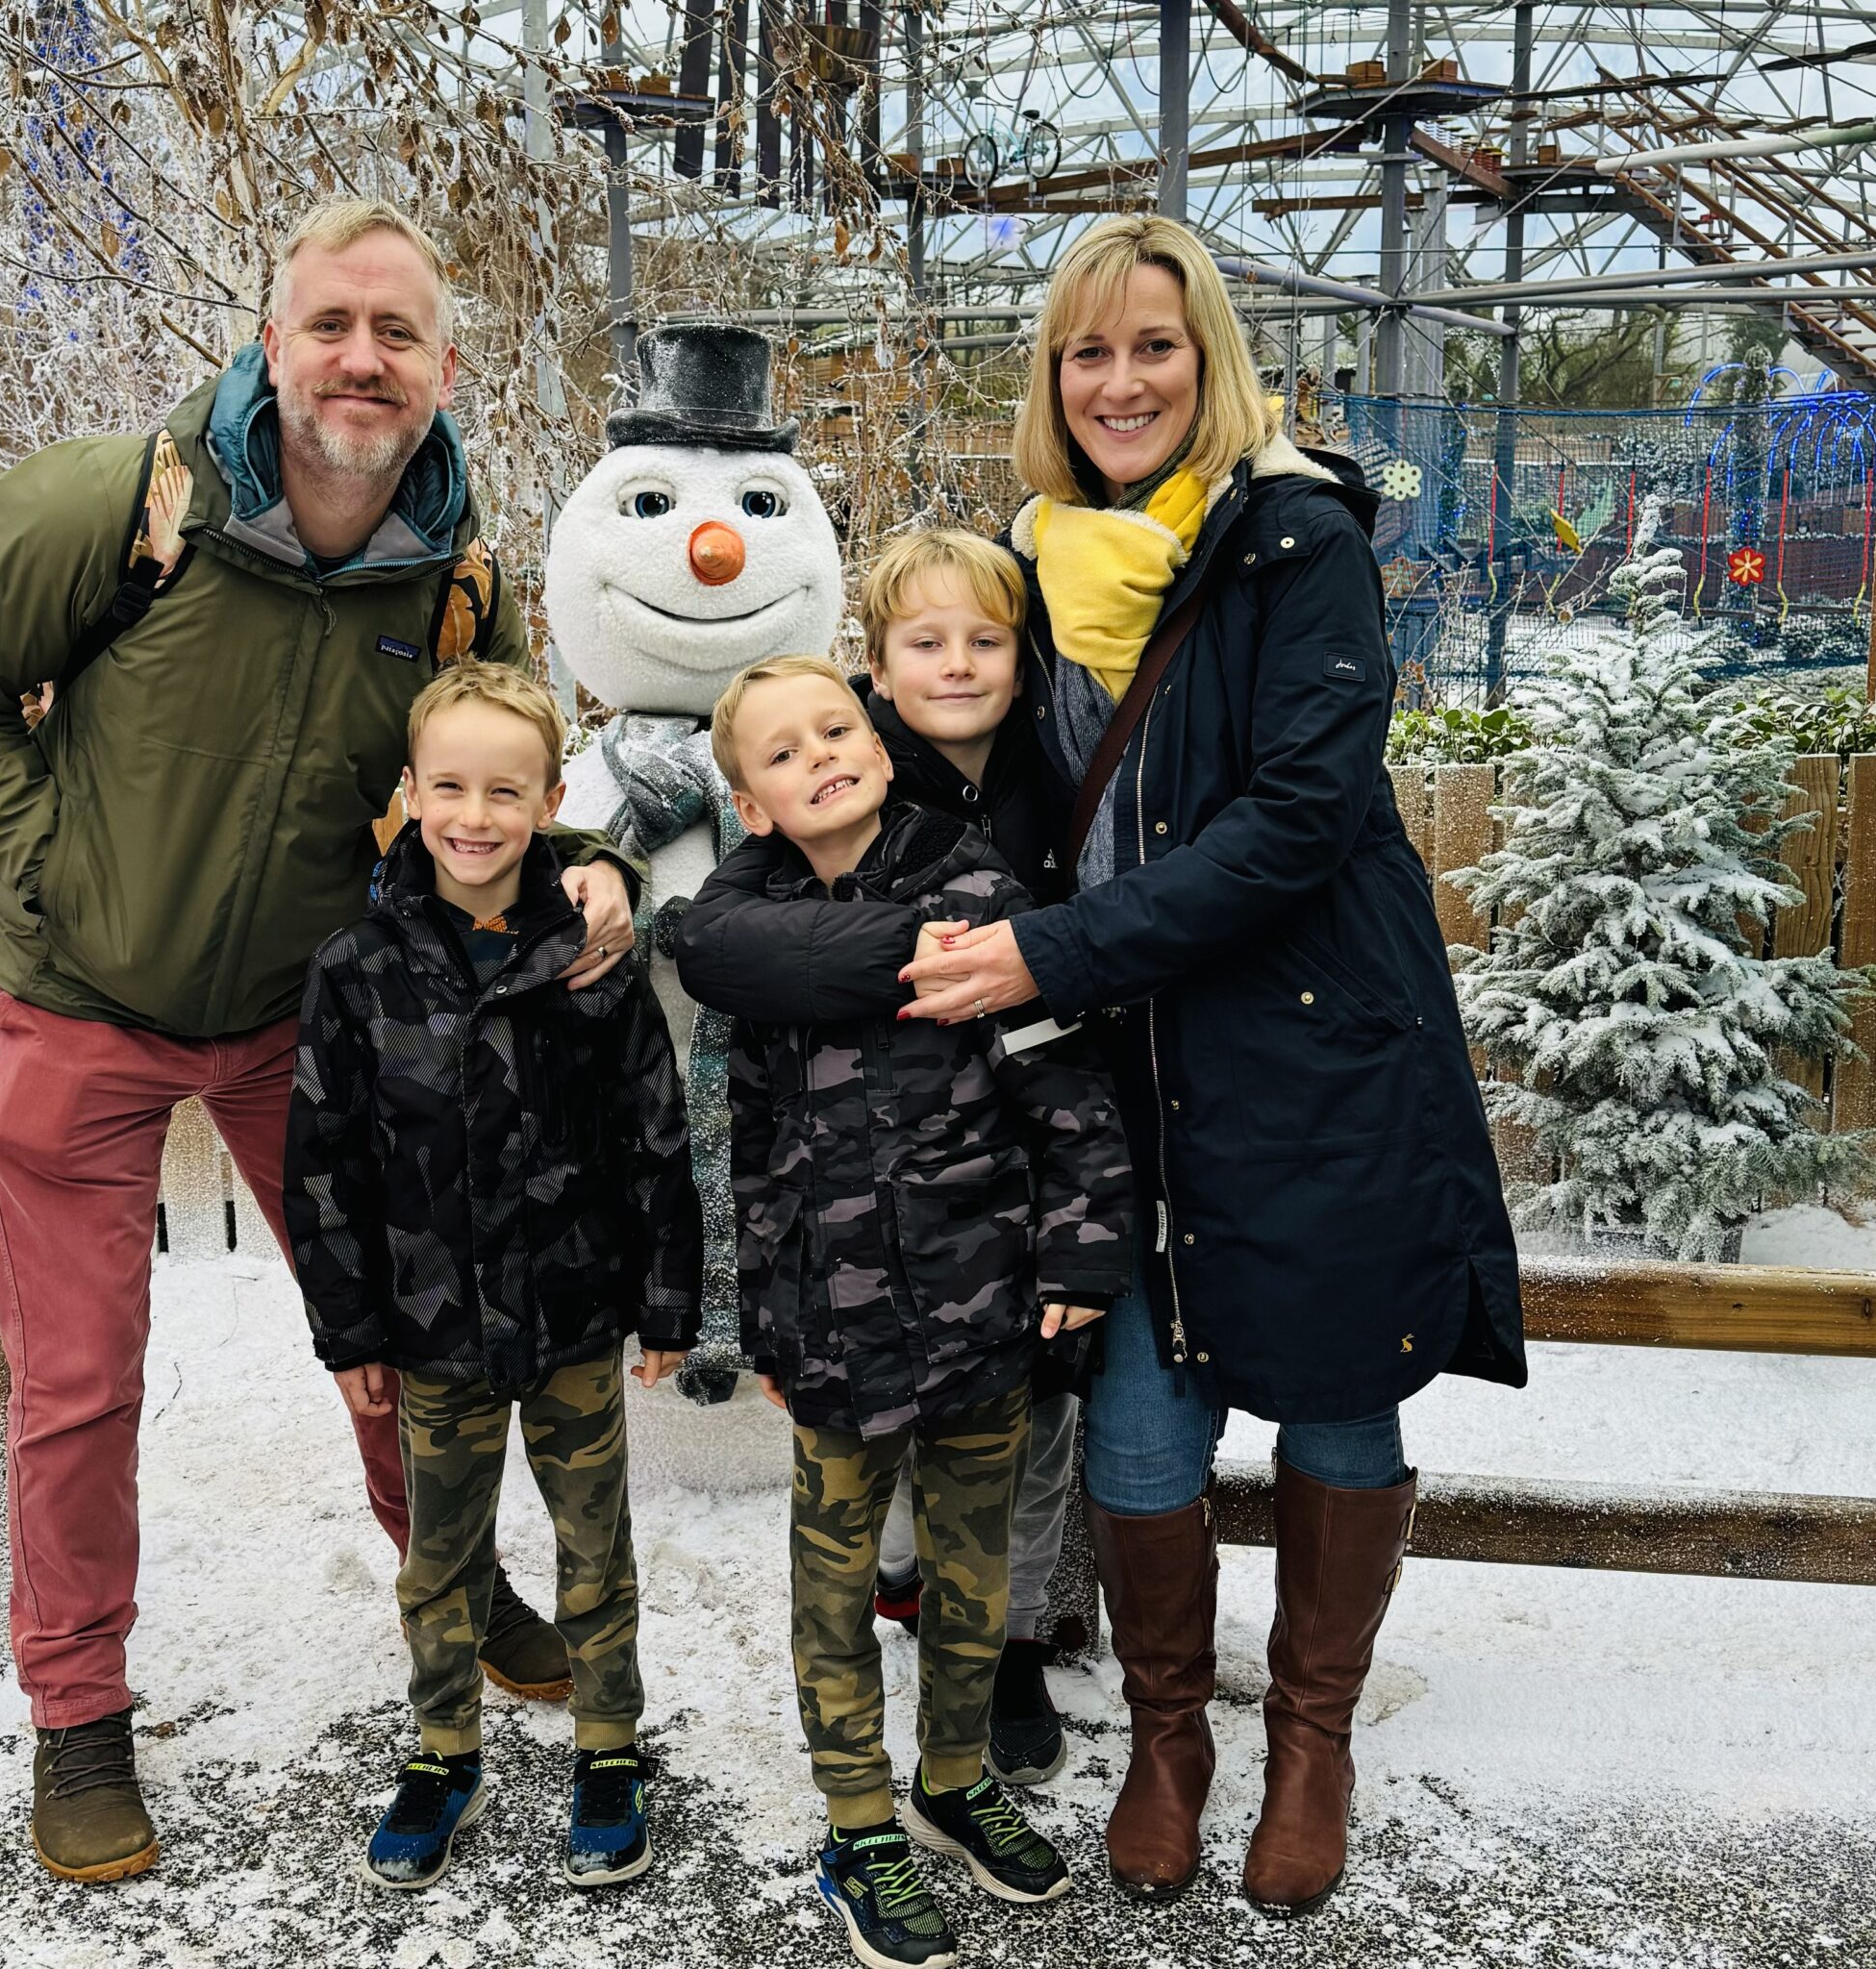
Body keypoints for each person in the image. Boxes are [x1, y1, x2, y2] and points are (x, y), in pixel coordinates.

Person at [0, 198, 639, 1883]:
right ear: (269, 342)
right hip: (80, 1002)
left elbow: (499, 768)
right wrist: (56, 857)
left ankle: (457, 1586)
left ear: (446, 369)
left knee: (405, 1327)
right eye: (331, 325)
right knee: (79, 1382)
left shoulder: (454, 577)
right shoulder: (119, 506)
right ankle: (78, 1715)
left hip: (296, 1024)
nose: (362, 359)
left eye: (397, 334)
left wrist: (585, 863)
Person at [890, 215, 1530, 1911]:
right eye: (1086, 352)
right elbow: (937, 751)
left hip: (1311, 1046)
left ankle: (1310, 1735)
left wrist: (1049, 952)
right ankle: (1171, 1732)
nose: (1120, 381)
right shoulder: (1031, 563)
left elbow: (1301, 820)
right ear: (1052, 376)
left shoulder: (1293, 541)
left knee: (1336, 1375)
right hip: (1121, 1063)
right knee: (1145, 1413)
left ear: (1211, 359)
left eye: (1154, 347)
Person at [707, 656, 1133, 1969]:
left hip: (982, 1313)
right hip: (832, 1336)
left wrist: (1077, 1261)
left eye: (837, 727)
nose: (822, 755)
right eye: (783, 752)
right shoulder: (755, 934)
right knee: (834, 1585)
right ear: (753, 802)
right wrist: (763, 1317)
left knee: (970, 1576)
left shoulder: (978, 893)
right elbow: (755, 1139)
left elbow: (1064, 1089)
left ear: (880, 742)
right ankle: (857, 1823)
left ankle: (952, 1782)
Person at [283, 661, 701, 1892]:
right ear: (408, 793)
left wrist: (668, 1295)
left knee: (594, 1542)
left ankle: (610, 1745)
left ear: (551, 797)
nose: (476, 814)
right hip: (428, 1325)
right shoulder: (356, 970)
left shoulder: (591, 958)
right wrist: (349, 1324)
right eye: (450, 785)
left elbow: (654, 1132)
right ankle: (440, 1748)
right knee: (442, 1550)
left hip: (571, 1316)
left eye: (505, 789)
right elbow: (323, 1163)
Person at [676, 529, 1085, 1784]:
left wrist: (1022, 949)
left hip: (1008, 1205)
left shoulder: (1066, 762)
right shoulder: (845, 761)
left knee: (1037, 1427)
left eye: (984, 640)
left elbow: (1069, 1035)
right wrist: (944, 944)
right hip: (859, 1261)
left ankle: (1009, 1652)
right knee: (876, 1483)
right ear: (879, 669)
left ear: (1025, 658)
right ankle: (878, 1722)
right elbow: (721, 937)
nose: (956, 665)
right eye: (925, 643)